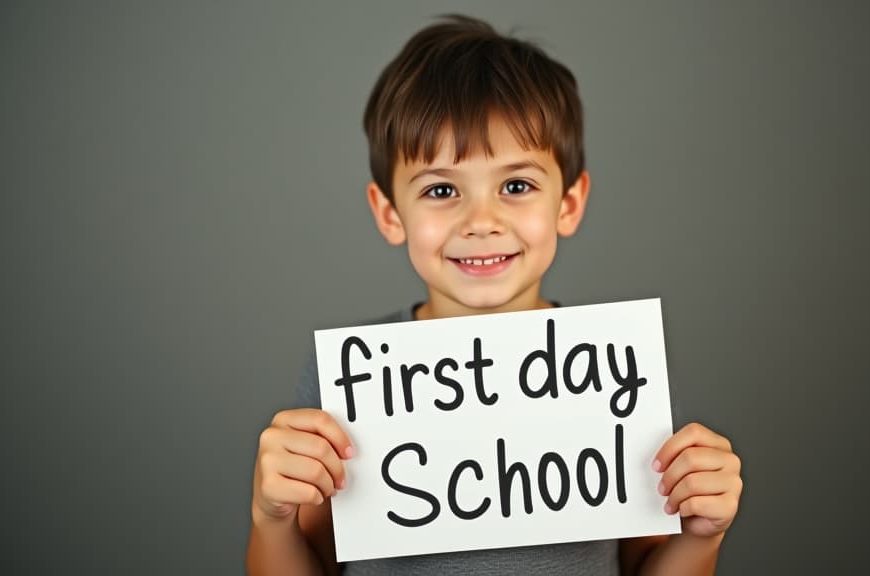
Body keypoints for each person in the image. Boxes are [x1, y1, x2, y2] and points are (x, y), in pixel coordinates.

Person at [247, 14, 743, 576]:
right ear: (390, 213)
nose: (481, 221)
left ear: (569, 204)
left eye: (516, 186)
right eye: (440, 189)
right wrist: (273, 519)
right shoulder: (351, 382)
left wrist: (702, 536)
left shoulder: (614, 372)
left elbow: (645, 562)